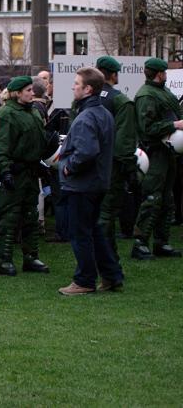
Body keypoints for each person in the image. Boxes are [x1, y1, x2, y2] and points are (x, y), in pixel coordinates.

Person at [57, 67, 124, 295]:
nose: (73, 86)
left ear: (88, 89)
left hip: (82, 184)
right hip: (97, 182)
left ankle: (84, 280)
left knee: (80, 233)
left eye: (77, 83)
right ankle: (112, 275)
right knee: (94, 231)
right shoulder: (103, 113)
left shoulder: (87, 116)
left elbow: (86, 152)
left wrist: (68, 168)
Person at [0, 75, 56, 276]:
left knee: (31, 216)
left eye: (32, 90)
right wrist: (5, 171)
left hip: (31, 171)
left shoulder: (34, 113)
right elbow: (1, 146)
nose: (32, 93)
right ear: (17, 93)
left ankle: (31, 257)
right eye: (28, 90)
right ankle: (4, 260)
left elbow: (37, 141)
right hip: (15, 171)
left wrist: (42, 162)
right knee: (10, 217)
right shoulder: (6, 114)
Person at [132, 58, 183, 260]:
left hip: (168, 152)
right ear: (159, 73)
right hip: (154, 153)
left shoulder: (162, 91)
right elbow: (147, 128)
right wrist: (174, 126)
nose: (166, 75)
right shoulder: (146, 95)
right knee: (152, 198)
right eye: (164, 72)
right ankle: (140, 242)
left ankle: (162, 242)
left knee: (167, 199)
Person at [95, 56, 138, 258]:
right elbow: (124, 140)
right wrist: (129, 168)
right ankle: (106, 258)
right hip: (111, 166)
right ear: (113, 74)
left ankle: (105, 255)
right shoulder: (120, 100)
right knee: (106, 213)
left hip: (88, 164)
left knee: (95, 212)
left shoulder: (86, 98)